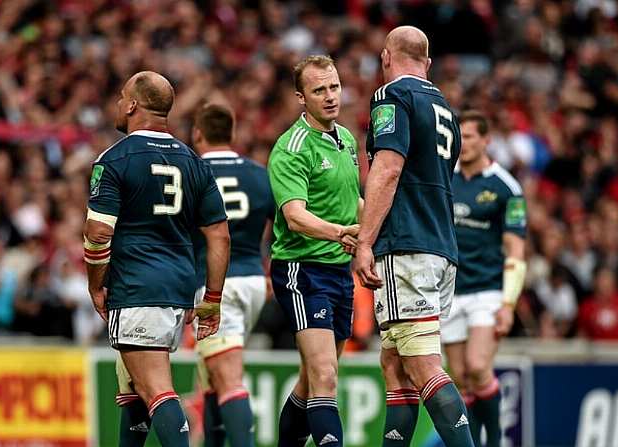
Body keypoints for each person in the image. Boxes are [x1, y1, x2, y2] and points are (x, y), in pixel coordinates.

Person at [84, 71, 230, 447]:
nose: (118, 104)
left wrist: (96, 285)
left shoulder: (115, 159)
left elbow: (99, 233)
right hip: (178, 290)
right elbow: (219, 235)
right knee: (133, 389)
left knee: (154, 388)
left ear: (132, 105)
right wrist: (211, 300)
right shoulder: (194, 162)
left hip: (136, 287)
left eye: (121, 97)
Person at [353, 27, 473, 447]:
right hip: (441, 247)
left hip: (407, 246)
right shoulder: (447, 111)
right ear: (429, 63)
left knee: (421, 366)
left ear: (386, 57)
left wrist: (366, 241)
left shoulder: (392, 97)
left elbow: (387, 169)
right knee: (395, 364)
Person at [268, 55, 361, 447]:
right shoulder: (291, 148)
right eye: (319, 90)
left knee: (311, 380)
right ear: (300, 97)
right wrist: (342, 233)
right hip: (302, 269)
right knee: (325, 374)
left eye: (334, 87)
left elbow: (354, 202)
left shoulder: (347, 139)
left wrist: (373, 233)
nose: (329, 96)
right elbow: (295, 217)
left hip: (340, 271)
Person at [440, 110, 527, 447]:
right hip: (451, 292)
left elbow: (516, 250)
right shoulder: (447, 178)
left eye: (472, 136)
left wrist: (508, 303)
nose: (465, 144)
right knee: (460, 379)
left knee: (478, 366)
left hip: (487, 292)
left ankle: (495, 442)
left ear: (487, 140)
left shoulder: (506, 188)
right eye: (461, 137)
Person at [191, 103, 274, 447]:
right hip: (254, 280)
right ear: (232, 133)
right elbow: (284, 224)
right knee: (212, 377)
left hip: (215, 286)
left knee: (228, 379)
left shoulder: (191, 173)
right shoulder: (258, 173)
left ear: (198, 134)